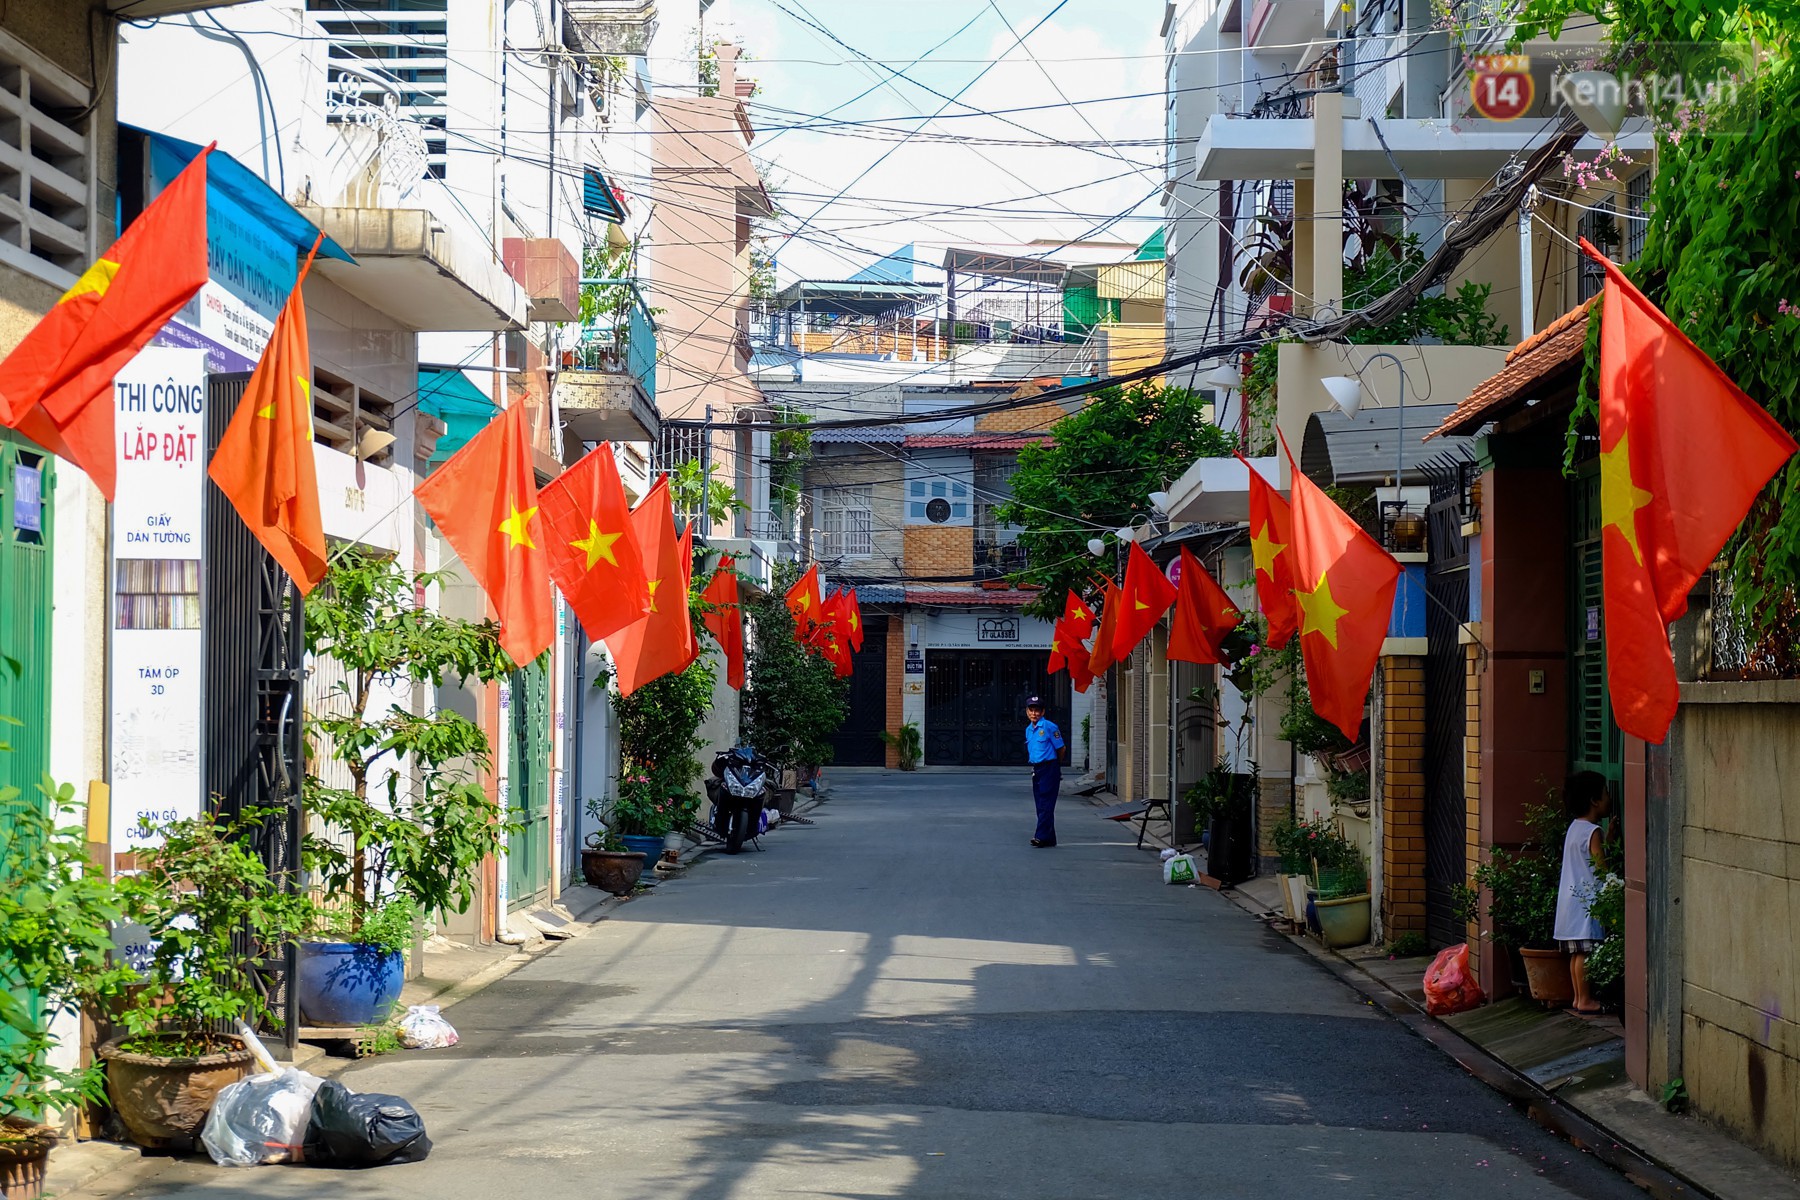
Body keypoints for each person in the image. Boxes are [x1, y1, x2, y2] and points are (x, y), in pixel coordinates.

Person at [1553, 770, 1612, 1014]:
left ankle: (1578, 998)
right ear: (1594, 800)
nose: (1609, 797)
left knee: (1576, 955)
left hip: (1571, 900)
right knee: (1585, 954)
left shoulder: (1574, 828)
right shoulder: (1593, 831)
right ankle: (1586, 999)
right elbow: (1600, 867)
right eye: (1606, 793)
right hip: (1586, 901)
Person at [1024, 696, 1065, 847]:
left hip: (1049, 767)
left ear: (1043, 712)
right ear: (1027, 711)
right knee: (1040, 804)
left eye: (1037, 710)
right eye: (1031, 710)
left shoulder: (1049, 727)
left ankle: (1040, 836)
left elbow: (1061, 748)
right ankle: (1050, 838)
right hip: (1037, 769)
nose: (1034, 713)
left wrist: (1056, 766)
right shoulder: (1029, 729)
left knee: (1046, 804)